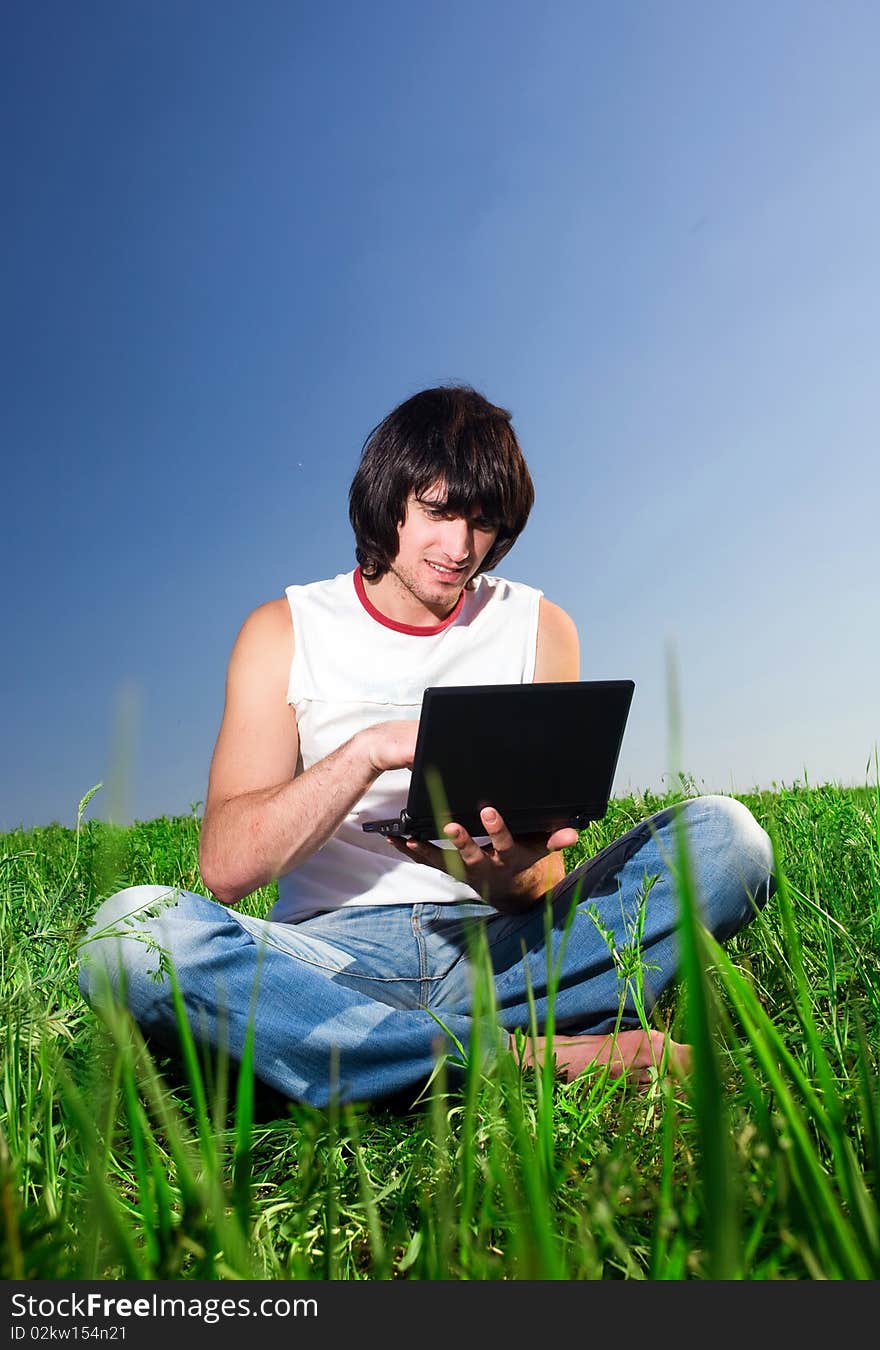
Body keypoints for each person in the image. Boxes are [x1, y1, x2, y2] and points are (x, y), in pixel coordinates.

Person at [78, 384, 776, 1108]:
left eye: (484, 524)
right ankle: (531, 1055)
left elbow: (539, 884)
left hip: (498, 950)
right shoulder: (283, 630)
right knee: (131, 935)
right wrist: (369, 751)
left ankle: (355, 1046)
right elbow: (226, 868)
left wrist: (494, 872)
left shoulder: (540, 627)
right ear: (390, 502)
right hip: (328, 958)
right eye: (440, 513)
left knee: (731, 840)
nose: (459, 549)